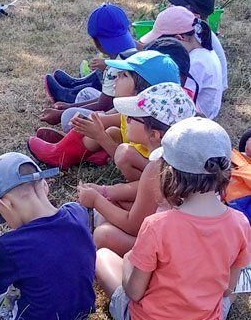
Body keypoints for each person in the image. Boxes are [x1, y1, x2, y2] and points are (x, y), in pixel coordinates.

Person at [95, 117, 251, 320]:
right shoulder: (240, 223)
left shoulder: (157, 224)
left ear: (169, 173)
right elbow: (228, 289)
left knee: (103, 256)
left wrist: (129, 261)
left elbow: (134, 292)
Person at [0, 153, 96, 320]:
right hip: (78, 316)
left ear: (4, 204)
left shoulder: (9, 246)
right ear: (44, 185)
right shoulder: (77, 213)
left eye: (0, 215)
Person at [77, 82, 196, 255]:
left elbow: (133, 225)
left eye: (133, 118)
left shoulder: (158, 167)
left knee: (104, 235)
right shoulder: (178, 157)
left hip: (169, 249)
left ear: (154, 134)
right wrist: (105, 192)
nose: (127, 119)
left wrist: (96, 200)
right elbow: (141, 189)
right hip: (174, 232)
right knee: (113, 202)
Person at [29, 50, 179, 172]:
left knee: (109, 133)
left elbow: (134, 165)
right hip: (125, 151)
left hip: (137, 167)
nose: (115, 79)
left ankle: (60, 155)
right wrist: (86, 123)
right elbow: (105, 119)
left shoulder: (152, 130)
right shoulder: (133, 112)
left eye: (124, 76)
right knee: (109, 128)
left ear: (143, 90)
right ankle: (71, 150)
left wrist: (100, 136)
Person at [43, 3, 137, 111]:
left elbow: (103, 106)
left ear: (97, 42)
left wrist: (64, 112)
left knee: (69, 114)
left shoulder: (115, 69)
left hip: (114, 118)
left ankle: (69, 96)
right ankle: (73, 88)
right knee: (86, 92)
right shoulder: (136, 54)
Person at [140, 5, 223, 119]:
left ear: (180, 38)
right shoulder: (202, 53)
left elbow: (180, 101)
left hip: (195, 121)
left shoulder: (196, 63)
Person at [162, 0, 228, 92]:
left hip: (200, 97)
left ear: (194, 15)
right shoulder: (200, 30)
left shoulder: (192, 35)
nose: (170, 7)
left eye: (176, 6)